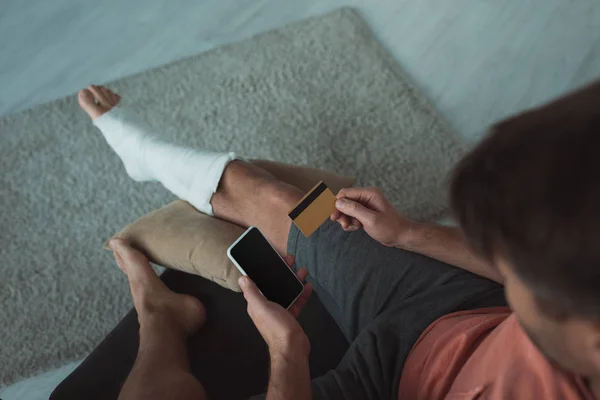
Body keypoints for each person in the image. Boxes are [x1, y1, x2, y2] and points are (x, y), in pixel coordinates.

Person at [77, 81, 600, 400]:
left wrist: (288, 354)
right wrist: (408, 234)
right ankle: (141, 153)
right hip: (451, 308)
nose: (511, 273)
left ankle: (162, 316)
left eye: (524, 278)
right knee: (290, 202)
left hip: (385, 386)